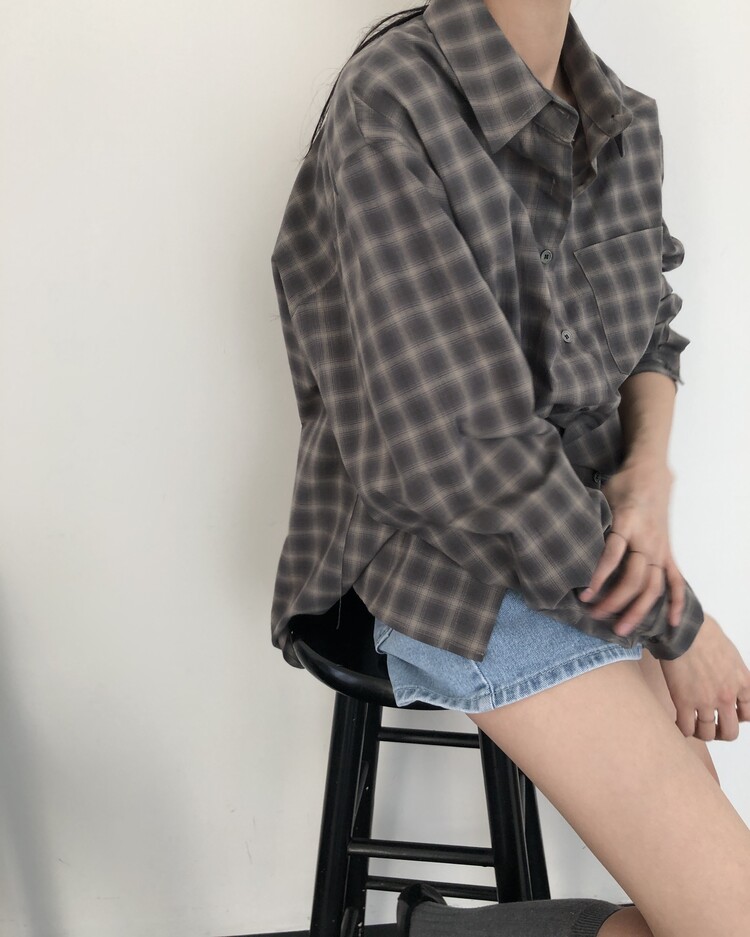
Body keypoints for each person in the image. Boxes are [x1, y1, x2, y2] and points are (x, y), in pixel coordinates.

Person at [268, 1, 750, 935]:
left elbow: (653, 328)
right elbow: (462, 454)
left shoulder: (619, 118)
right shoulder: (392, 102)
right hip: (444, 557)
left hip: (588, 543)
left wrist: (646, 477)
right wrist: (678, 623)